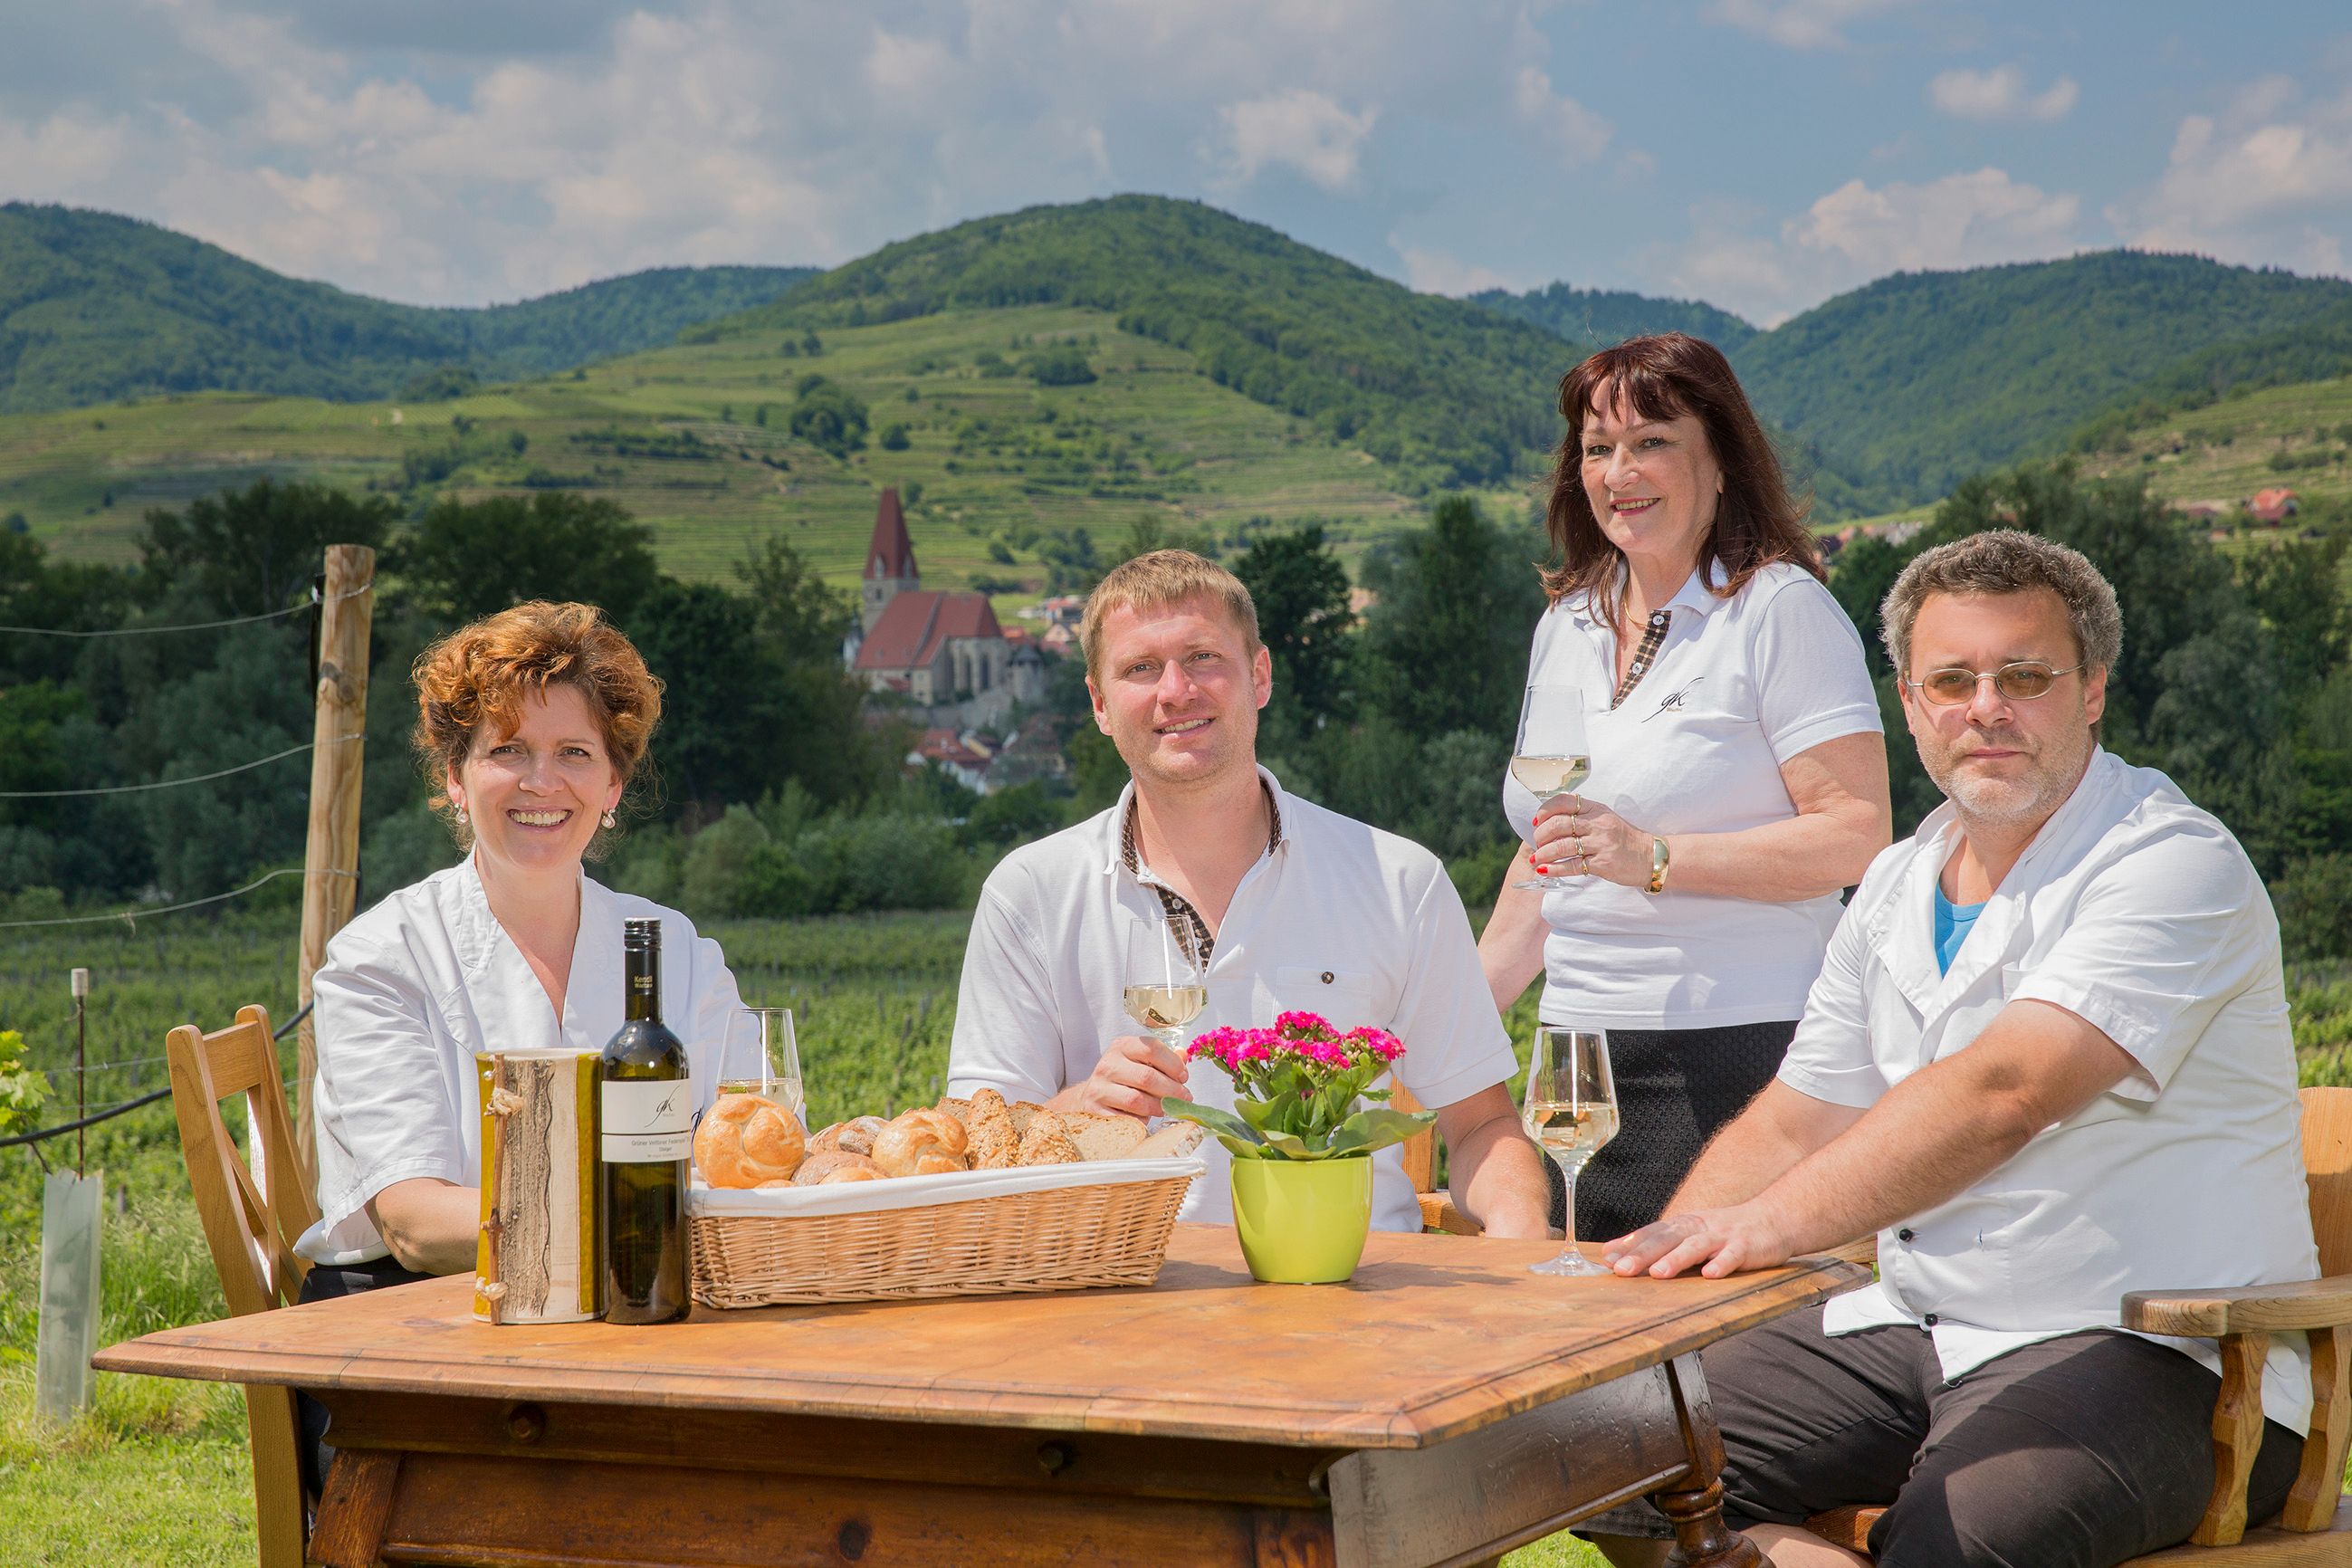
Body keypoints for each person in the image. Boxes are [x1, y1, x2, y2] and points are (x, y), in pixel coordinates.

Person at [1594, 531, 2319, 1568]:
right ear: (1910, 703)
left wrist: (1758, 1230)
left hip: (2167, 1352)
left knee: (1951, 1542)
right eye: (1952, 679)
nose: (1987, 707)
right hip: (1915, 1325)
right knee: (1609, 1453)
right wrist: (1665, 1275)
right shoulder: (1897, 880)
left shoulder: (2170, 861)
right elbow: (1800, 1117)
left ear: (2094, 690)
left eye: (2025, 675)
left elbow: (2005, 1093)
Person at [949, 550, 1552, 1238]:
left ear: (1259, 676)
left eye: (1203, 657)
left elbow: (1481, 1128)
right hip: (1119, 1311)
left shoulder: (1399, 882)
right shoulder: (1029, 894)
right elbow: (974, 1148)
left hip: (1360, 1312)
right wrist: (1080, 1108)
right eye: (1141, 669)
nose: (1176, 691)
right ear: (1100, 705)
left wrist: (1522, 1248)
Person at [292, 604, 743, 1479]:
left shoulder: (678, 953)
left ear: (613, 787)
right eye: (507, 751)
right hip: (413, 1342)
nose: (543, 782)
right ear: (455, 780)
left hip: (635, 1330)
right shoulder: (383, 958)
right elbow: (418, 1225)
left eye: (575, 753)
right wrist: (632, 1223)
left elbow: (737, 1156)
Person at [1479, 332, 1892, 1246]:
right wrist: (1453, 1016)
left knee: (1722, 1370)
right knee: (1584, 1369)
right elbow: (1551, 845)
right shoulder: (1568, 624)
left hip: (1745, 1054)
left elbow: (1857, 834)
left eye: (1653, 440)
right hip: (1578, 1062)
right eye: (1597, 447)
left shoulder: (1779, 611)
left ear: (1720, 463)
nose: (1620, 470)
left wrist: (1654, 859)